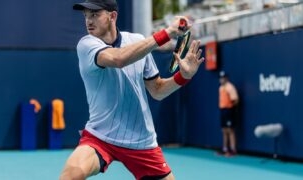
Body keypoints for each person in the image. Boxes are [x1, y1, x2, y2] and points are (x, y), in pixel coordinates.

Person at [60, 0, 204, 179]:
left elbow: (157, 90)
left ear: (112, 16)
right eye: (86, 16)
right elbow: (118, 59)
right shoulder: (86, 44)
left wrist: (184, 77)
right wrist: (167, 33)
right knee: (71, 175)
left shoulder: (137, 42)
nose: (89, 21)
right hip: (100, 136)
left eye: (95, 15)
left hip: (141, 142)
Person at [217, 71, 239, 157]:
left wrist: (231, 108)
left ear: (226, 78)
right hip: (223, 110)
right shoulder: (221, 88)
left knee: (230, 130)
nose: (222, 79)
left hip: (229, 110)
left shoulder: (230, 87)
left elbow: (235, 99)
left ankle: (233, 150)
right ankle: (225, 149)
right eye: (221, 78)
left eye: (223, 77)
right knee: (224, 130)